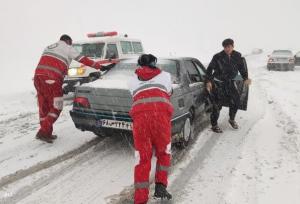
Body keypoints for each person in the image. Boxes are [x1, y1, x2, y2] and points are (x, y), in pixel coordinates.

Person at [34, 34, 116, 143]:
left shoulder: (49, 47)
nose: (71, 45)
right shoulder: (67, 48)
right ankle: (43, 132)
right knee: (57, 106)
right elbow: (83, 60)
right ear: (68, 41)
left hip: (38, 78)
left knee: (44, 106)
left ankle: (46, 132)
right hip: (52, 79)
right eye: (71, 43)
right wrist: (100, 67)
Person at [129, 54, 173, 204]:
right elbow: (169, 93)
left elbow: (135, 96)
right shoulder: (166, 76)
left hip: (141, 120)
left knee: (143, 159)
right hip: (160, 117)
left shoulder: (132, 80)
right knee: (163, 152)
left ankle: (140, 200)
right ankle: (160, 188)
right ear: (155, 63)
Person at [206, 38, 252, 133]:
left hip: (230, 82)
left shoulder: (237, 56)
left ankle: (231, 119)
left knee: (236, 101)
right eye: (225, 47)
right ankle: (214, 125)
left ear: (233, 46)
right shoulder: (217, 57)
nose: (227, 49)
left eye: (229, 47)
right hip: (218, 83)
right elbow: (209, 69)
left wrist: (245, 78)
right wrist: (209, 81)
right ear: (223, 47)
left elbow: (242, 69)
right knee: (217, 105)